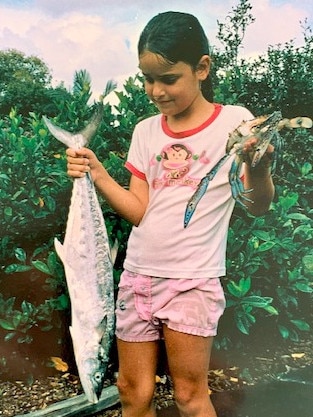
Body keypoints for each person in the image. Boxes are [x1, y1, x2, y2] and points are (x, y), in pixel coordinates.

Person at [66, 11, 275, 417]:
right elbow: (139, 210)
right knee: (131, 390)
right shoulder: (145, 131)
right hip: (137, 278)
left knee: (189, 395)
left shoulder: (236, 122)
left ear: (201, 68)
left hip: (192, 282)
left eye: (168, 79)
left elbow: (259, 204)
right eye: (147, 79)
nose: (156, 91)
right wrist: (96, 171)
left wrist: (261, 167)